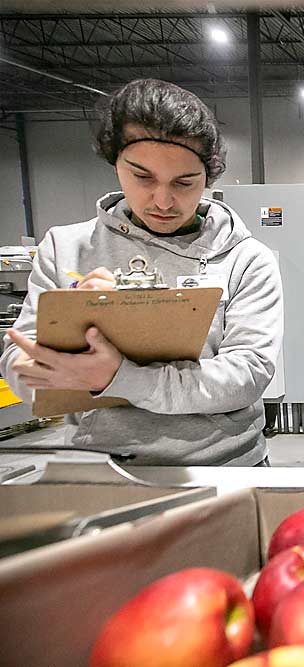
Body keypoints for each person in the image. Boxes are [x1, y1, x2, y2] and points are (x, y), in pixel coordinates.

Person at [0, 79, 283, 465]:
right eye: (142, 177)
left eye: (185, 182)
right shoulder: (67, 249)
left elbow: (246, 375)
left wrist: (117, 377)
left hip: (223, 466)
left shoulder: (244, 258)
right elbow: (23, 356)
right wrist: (60, 339)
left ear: (209, 176)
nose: (164, 200)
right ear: (115, 163)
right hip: (104, 466)